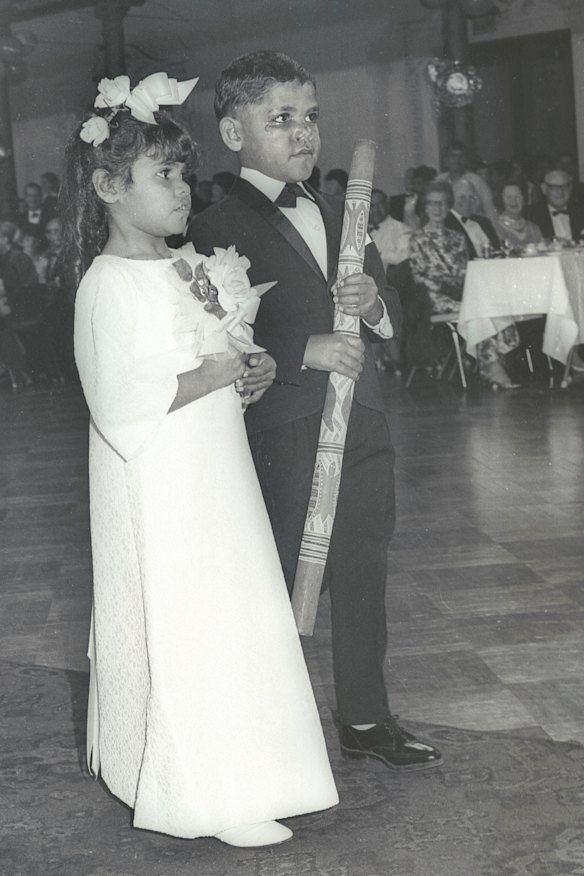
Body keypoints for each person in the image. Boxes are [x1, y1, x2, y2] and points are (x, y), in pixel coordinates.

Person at [63, 72, 338, 848]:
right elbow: (117, 402)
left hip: (218, 478)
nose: (182, 189)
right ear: (110, 186)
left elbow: (213, 362)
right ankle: (200, 792)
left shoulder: (183, 268)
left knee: (238, 617)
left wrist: (243, 375)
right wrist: (208, 374)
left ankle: (259, 774)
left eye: (183, 172)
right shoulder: (105, 284)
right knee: (191, 625)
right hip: (163, 490)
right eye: (163, 175)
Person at [190, 49, 443, 771]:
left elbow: (389, 306)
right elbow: (215, 329)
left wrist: (377, 310)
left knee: (364, 565)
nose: (303, 133)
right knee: (279, 579)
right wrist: (306, 347)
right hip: (286, 425)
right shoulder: (211, 227)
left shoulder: (342, 210)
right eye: (280, 119)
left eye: (310, 117)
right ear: (235, 134)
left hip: (361, 415)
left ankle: (365, 717)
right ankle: (269, 727)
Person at [408, 180, 520, 389]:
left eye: (442, 203)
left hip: (460, 293)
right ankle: (491, 365)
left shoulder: (457, 237)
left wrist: (464, 287)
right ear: (425, 207)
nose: (437, 208)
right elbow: (421, 279)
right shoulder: (417, 239)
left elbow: (464, 274)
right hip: (433, 298)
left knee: (494, 305)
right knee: (474, 310)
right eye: (432, 203)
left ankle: (495, 361)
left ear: (449, 205)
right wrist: (450, 288)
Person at [437, 140, 496, 221]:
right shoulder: (439, 181)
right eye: (453, 156)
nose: (457, 160)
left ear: (466, 159)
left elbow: (490, 211)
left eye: (461, 156)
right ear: (446, 159)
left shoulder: (476, 181)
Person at [524, 168, 584, 243]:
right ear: (544, 189)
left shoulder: (581, 211)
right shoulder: (530, 214)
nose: (560, 191)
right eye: (554, 187)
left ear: (570, 188)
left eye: (565, 186)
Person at [446, 177, 500, 259]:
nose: (468, 201)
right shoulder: (446, 223)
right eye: (462, 197)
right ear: (451, 198)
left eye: (471, 197)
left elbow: (498, 250)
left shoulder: (484, 222)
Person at [493, 181, 543, 251]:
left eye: (518, 196)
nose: (513, 200)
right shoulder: (494, 228)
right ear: (501, 200)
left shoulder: (534, 228)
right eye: (509, 197)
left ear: (524, 199)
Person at [389, 164, 436, 229]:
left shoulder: (436, 201)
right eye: (419, 183)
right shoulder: (410, 205)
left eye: (426, 183)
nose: (423, 187)